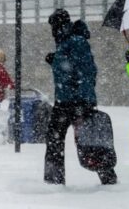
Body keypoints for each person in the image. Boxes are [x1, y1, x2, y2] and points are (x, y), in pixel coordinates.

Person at [44, 10, 117, 185]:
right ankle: (55, 181)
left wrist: (79, 97)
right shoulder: (66, 41)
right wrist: (55, 60)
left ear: (59, 25)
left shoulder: (75, 41)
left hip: (75, 101)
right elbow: (70, 67)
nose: (52, 30)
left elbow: (86, 70)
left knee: (80, 140)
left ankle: (55, 181)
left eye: (53, 26)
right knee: (79, 139)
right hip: (68, 99)